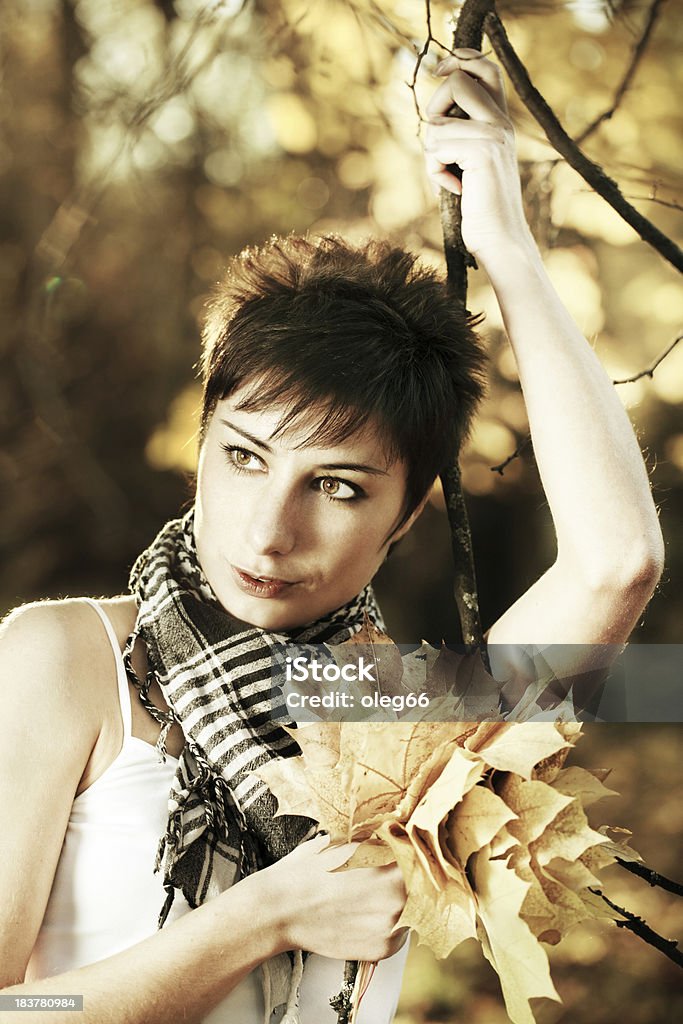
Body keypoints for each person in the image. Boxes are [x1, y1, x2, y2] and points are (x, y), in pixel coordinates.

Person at [0, 51, 663, 1024]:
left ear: (403, 518)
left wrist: (507, 246)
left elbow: (617, 561)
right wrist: (258, 916)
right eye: (245, 457)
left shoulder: (404, 724)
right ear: (200, 446)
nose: (268, 531)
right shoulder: (66, 661)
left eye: (338, 485)